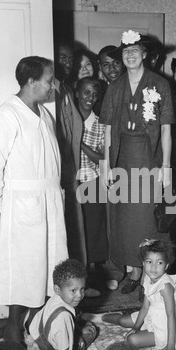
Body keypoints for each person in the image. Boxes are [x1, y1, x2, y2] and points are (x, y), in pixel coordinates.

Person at [0, 56, 68, 343]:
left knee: (46, 267)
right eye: (48, 80)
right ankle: (11, 330)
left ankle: (33, 322)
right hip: (21, 205)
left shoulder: (44, 114)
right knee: (23, 268)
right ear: (31, 81)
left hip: (48, 201)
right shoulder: (8, 114)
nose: (52, 85)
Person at [99, 30, 175, 293]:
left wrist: (165, 168)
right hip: (121, 156)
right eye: (126, 51)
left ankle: (150, 273)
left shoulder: (160, 85)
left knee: (146, 217)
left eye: (135, 50)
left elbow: (166, 130)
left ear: (144, 54)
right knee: (123, 217)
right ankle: (132, 270)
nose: (130, 55)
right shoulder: (114, 87)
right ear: (122, 56)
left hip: (148, 155)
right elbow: (107, 130)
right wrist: (106, 165)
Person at [101, 239, 176, 350]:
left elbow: (171, 316)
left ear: (166, 266)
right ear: (143, 263)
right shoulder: (148, 278)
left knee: (132, 340)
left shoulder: (165, 286)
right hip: (153, 315)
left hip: (166, 327)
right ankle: (100, 318)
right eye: (149, 262)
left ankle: (154, 338)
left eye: (159, 263)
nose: (153, 267)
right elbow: (145, 307)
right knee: (122, 321)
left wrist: (171, 347)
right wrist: (136, 327)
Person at [54, 41, 100, 298]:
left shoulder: (67, 91)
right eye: (62, 58)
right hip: (61, 173)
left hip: (74, 175)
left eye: (69, 60)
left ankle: (78, 286)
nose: (67, 64)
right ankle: (67, 289)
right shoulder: (57, 92)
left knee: (80, 230)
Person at [28, 258, 97, 350]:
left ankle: (78, 323)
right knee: (92, 330)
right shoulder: (64, 317)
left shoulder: (54, 298)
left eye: (82, 289)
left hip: (40, 341)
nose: (79, 295)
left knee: (74, 322)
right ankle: (79, 325)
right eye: (73, 291)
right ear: (57, 289)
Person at [75, 77, 108, 270]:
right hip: (72, 182)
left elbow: (103, 159)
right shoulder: (68, 119)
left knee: (94, 227)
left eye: (95, 94)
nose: (90, 97)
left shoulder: (99, 123)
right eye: (87, 92)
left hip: (93, 182)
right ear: (77, 93)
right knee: (76, 229)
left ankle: (95, 272)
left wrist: (79, 143)